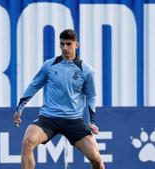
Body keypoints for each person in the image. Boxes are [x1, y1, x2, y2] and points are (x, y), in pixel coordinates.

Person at [13, 29, 105, 169]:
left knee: (97, 160)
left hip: (73, 120)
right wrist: (20, 108)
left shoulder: (86, 70)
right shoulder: (49, 65)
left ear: (77, 45)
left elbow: (91, 97)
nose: (65, 48)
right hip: (49, 118)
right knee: (27, 142)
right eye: (62, 44)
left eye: (69, 44)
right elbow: (34, 86)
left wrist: (91, 122)